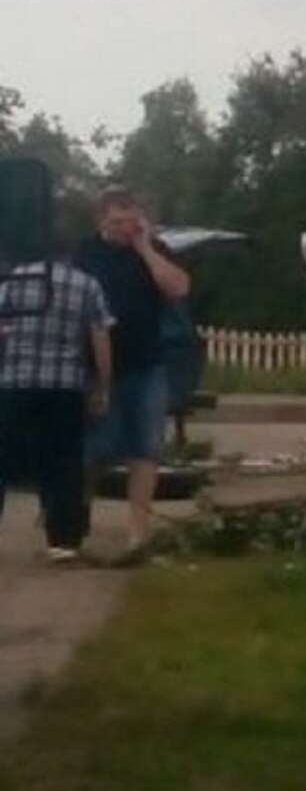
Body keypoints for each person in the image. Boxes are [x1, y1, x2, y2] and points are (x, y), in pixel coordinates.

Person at [74, 187, 189, 558]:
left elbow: (179, 288)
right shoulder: (84, 254)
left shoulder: (152, 250)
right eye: (117, 221)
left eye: (131, 220)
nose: (125, 228)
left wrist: (145, 249)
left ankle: (138, 531)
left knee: (146, 448)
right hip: (94, 364)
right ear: (101, 219)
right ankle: (73, 521)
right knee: (93, 448)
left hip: (147, 362)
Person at [0, 240, 113, 564]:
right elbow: (100, 338)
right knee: (63, 464)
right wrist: (102, 386)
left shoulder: (16, 278)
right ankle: (63, 542)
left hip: (15, 383)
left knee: (3, 459)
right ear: (72, 256)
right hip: (65, 387)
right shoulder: (87, 285)